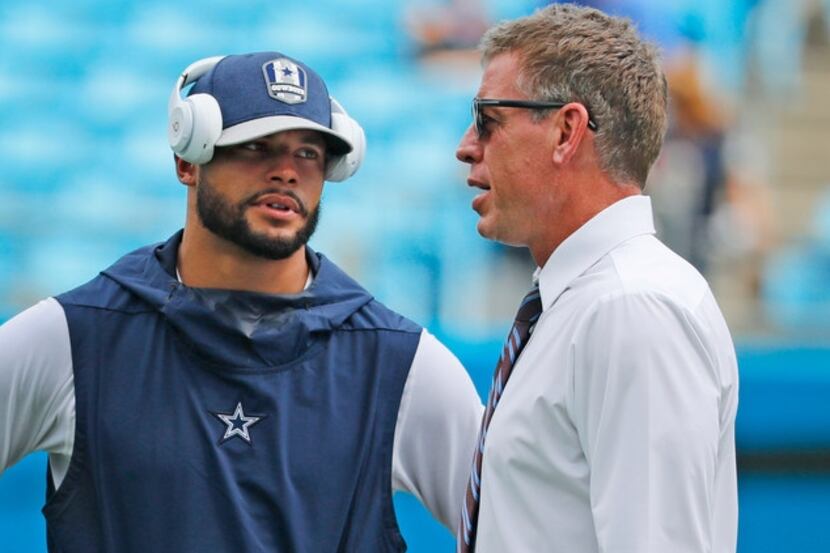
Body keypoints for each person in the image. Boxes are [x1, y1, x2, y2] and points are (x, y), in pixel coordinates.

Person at [0, 51, 483, 552]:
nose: (287, 172)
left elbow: (518, 531)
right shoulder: (72, 338)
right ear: (188, 159)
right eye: (256, 146)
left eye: (309, 153)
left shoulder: (401, 364)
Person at [454, 4, 739, 553]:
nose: (467, 145)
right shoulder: (589, 300)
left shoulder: (631, 307)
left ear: (566, 130)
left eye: (489, 120)